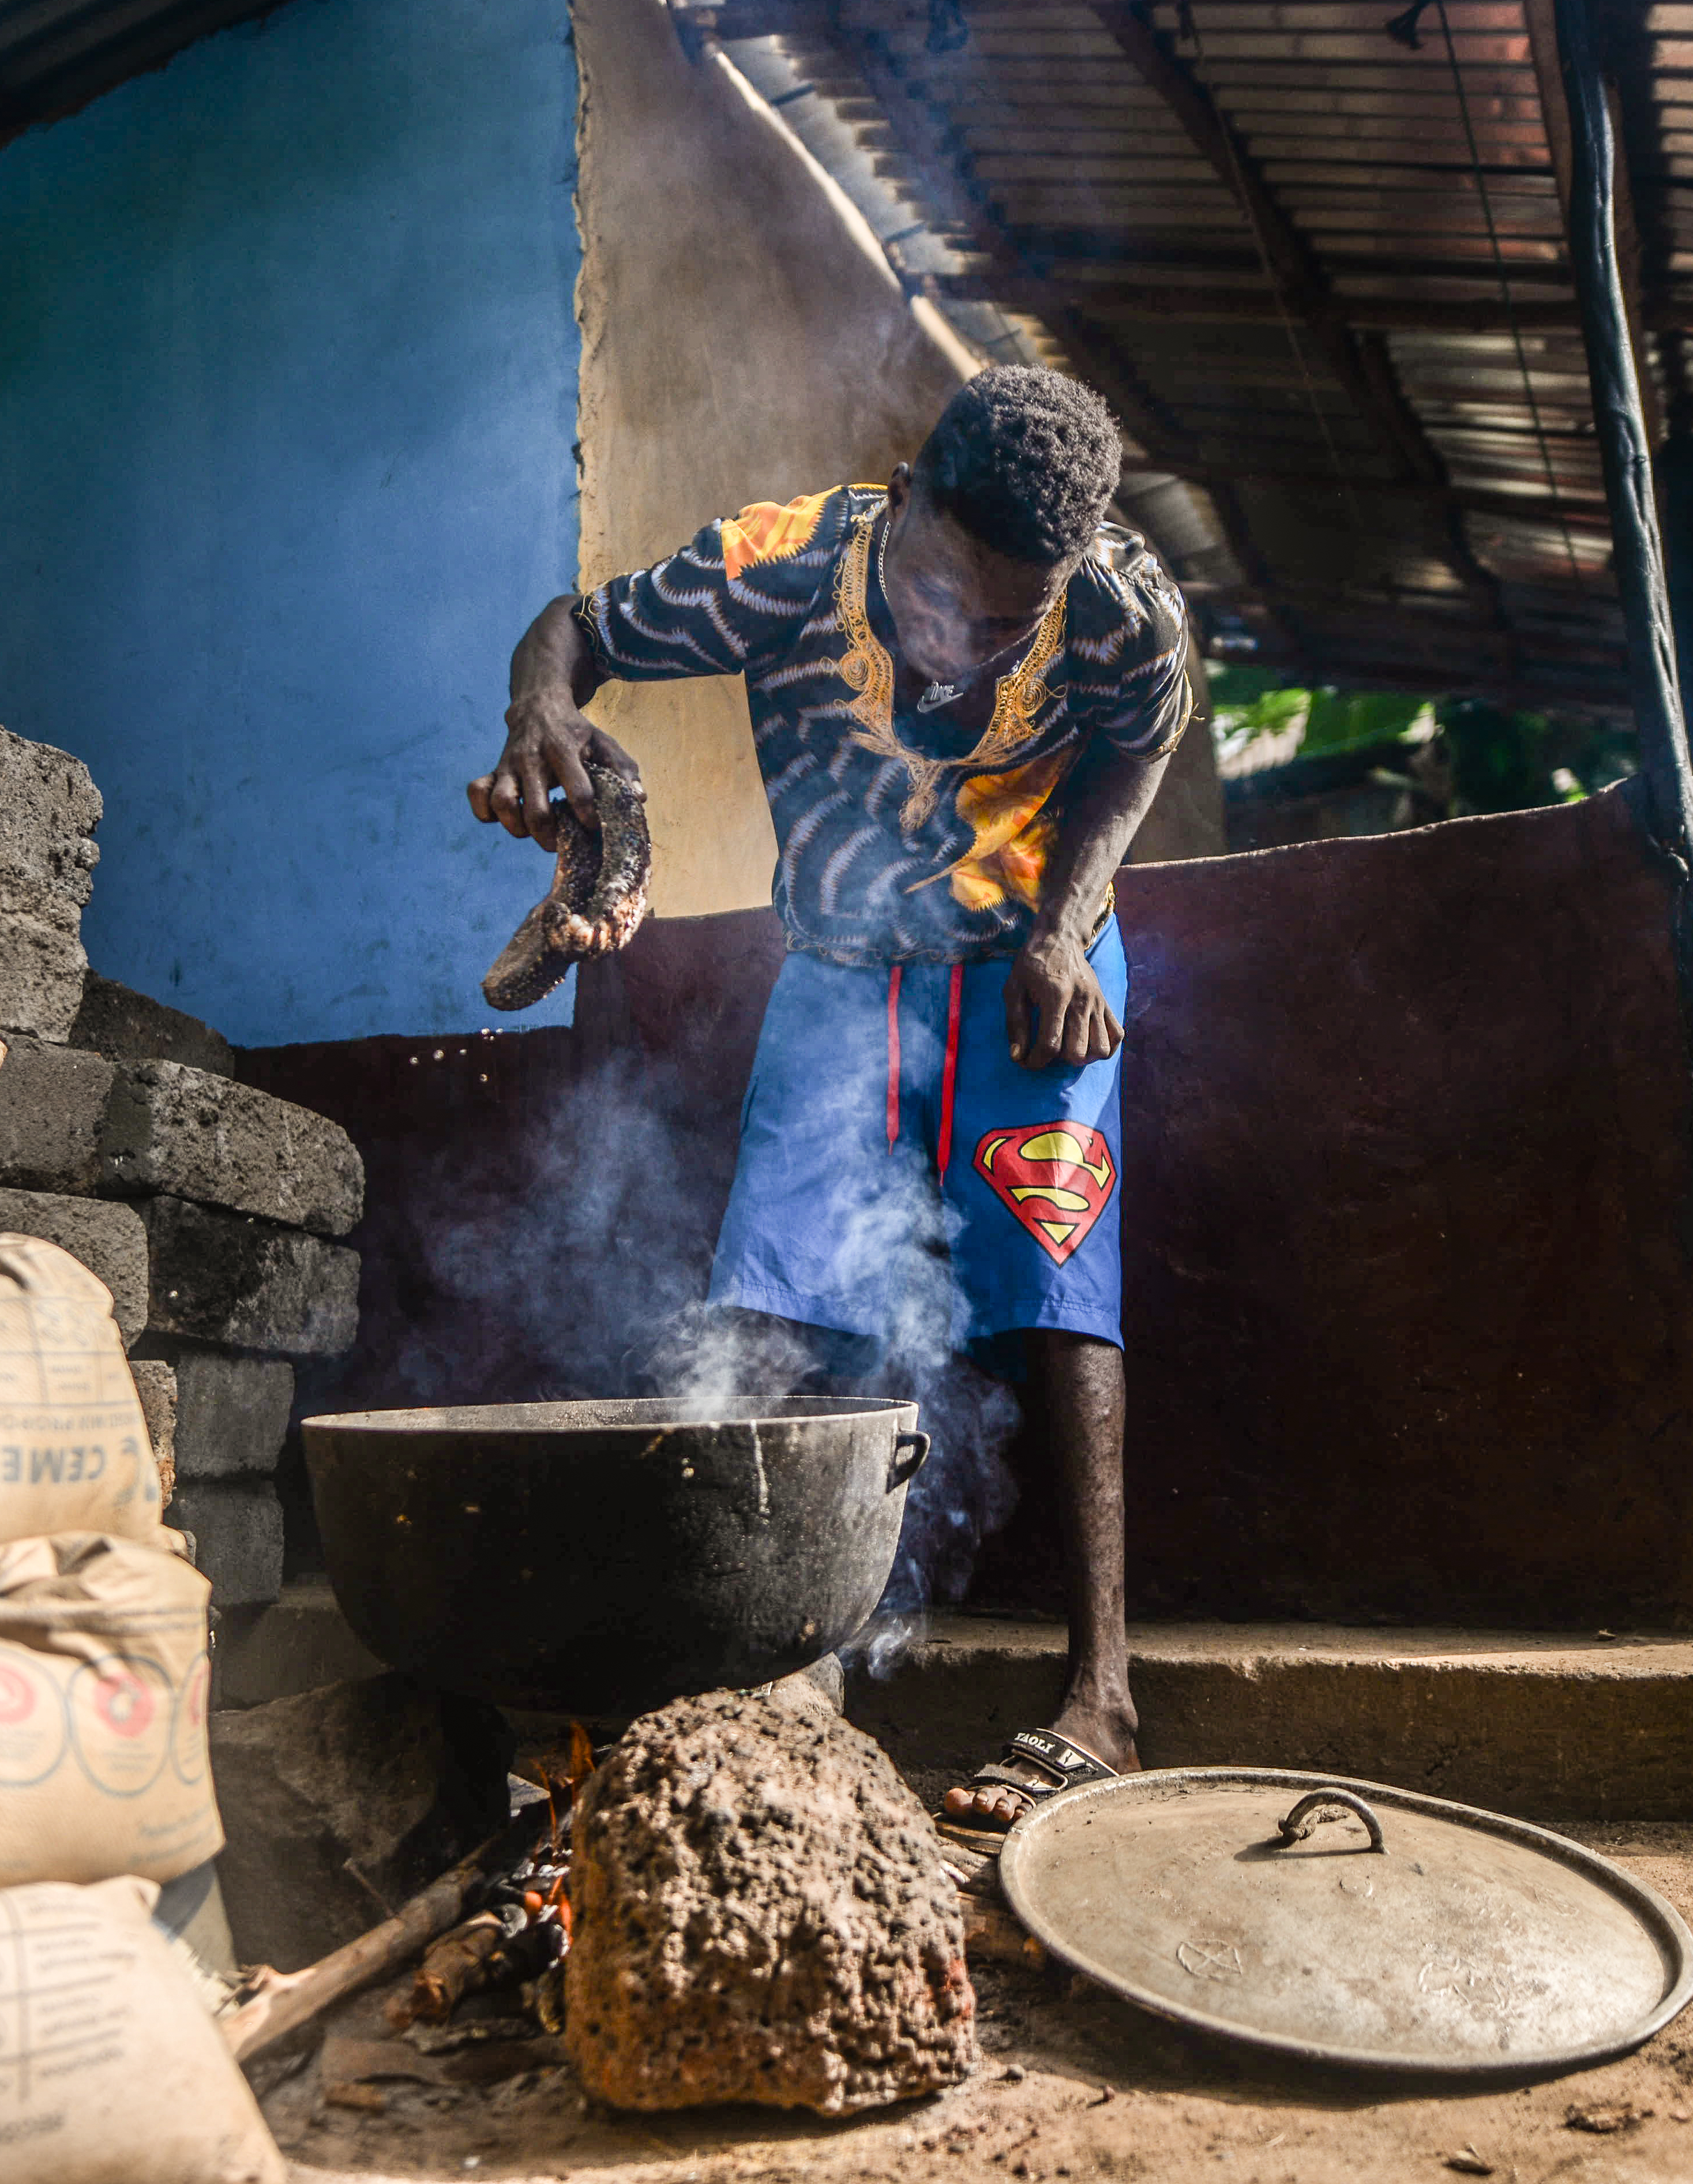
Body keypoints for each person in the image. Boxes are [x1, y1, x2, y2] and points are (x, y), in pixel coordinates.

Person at [469, 369, 1195, 1851]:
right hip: (843, 958)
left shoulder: (1121, 608)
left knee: (1058, 1283)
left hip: (1033, 957)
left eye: (1004, 624)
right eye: (941, 596)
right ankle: (750, 1663)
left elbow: (1138, 742)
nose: (958, 645)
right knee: (771, 1287)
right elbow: (578, 631)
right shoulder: (784, 558)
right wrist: (540, 710)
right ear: (905, 496)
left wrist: (1065, 923)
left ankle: (1103, 1696)